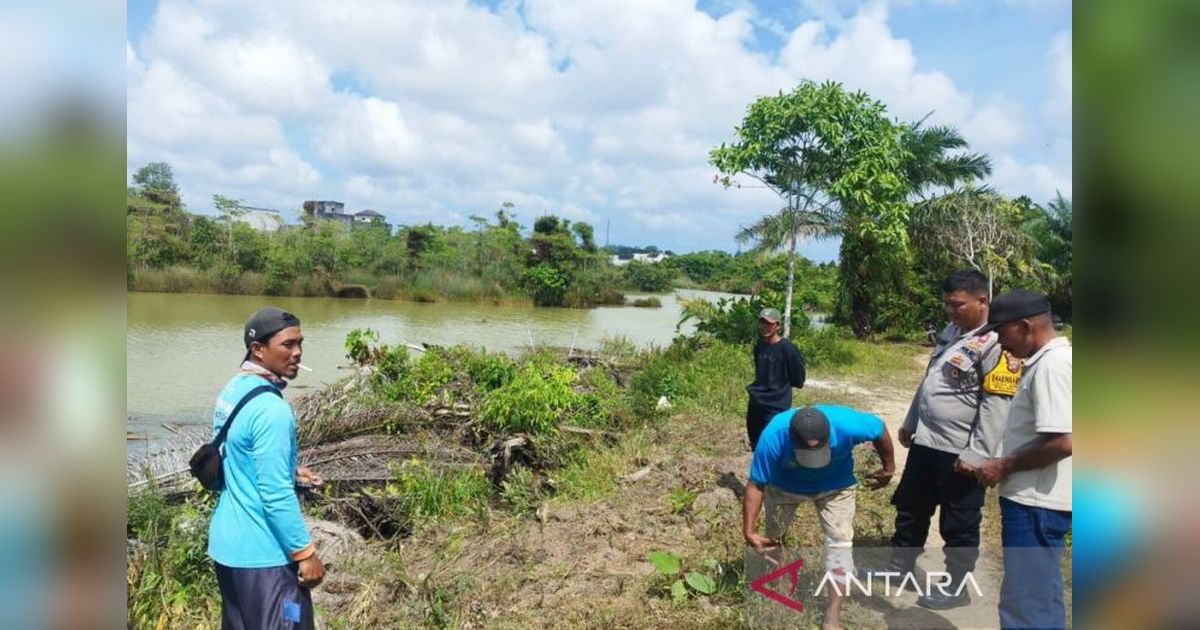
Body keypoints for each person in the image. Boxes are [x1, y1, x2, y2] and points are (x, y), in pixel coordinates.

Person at [881, 270, 1022, 609]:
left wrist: (977, 454)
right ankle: (900, 567)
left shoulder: (997, 343)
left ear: (982, 301)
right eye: (946, 304)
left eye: (957, 305)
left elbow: (995, 407)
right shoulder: (952, 331)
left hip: (961, 450)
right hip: (927, 441)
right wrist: (912, 419)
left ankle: (956, 586)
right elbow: (932, 377)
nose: (950, 311)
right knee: (911, 507)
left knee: (959, 521)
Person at [208, 307, 325, 629]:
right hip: (265, 555)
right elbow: (274, 496)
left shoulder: (234, 391)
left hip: (227, 548)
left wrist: (290, 471)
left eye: (300, 343)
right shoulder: (272, 410)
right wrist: (305, 553)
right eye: (287, 345)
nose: (297, 353)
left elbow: (231, 456)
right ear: (258, 349)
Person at [743, 405, 895, 629]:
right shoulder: (773, 436)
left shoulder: (849, 425)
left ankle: (832, 616)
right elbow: (756, 485)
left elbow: (879, 429)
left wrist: (889, 468)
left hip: (836, 487)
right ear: (791, 440)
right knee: (772, 540)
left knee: (840, 545)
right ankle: (780, 586)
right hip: (785, 487)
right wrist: (748, 531)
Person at [974, 290, 1072, 629]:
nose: (1000, 343)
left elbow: (1064, 441)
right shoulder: (1049, 362)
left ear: (1026, 326)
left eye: (1003, 332)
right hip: (1037, 502)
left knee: (1025, 603)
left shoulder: (1052, 366)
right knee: (1041, 596)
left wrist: (1004, 465)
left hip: (1036, 504)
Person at [745, 307, 806, 450]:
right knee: (756, 443)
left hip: (776, 405)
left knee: (772, 446)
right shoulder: (759, 347)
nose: (764, 327)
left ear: (777, 326)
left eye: (769, 323)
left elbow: (799, 380)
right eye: (762, 323)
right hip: (756, 402)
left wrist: (779, 387)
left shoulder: (788, 349)